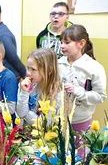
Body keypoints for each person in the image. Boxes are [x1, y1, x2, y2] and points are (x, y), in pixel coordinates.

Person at [58, 24, 107, 156]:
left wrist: (78, 91)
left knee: (79, 159)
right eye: (61, 42)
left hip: (81, 121)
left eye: (67, 42)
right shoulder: (58, 64)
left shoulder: (94, 67)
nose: (62, 46)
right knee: (59, 158)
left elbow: (100, 96)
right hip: (59, 120)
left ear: (81, 43)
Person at [16, 48, 62, 125]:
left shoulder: (57, 94)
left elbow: (45, 124)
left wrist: (26, 113)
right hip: (27, 134)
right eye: (28, 68)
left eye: (33, 69)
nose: (28, 73)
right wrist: (24, 92)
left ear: (49, 71)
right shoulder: (30, 85)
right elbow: (20, 113)